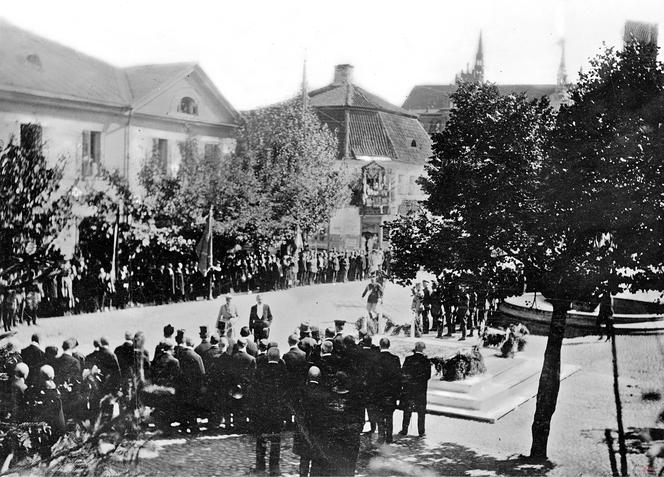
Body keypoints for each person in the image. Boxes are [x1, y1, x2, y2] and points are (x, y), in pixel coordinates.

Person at [253, 347, 287, 476]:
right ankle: (274, 467)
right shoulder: (283, 373)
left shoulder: (260, 371)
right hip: (277, 412)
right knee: (276, 439)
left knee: (261, 439)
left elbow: (254, 393)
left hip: (262, 411)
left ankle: (260, 466)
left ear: (267, 357)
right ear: (279, 358)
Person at [370, 337, 401, 443]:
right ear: (389, 345)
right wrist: (397, 393)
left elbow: (372, 377)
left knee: (379, 415)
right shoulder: (395, 359)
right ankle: (389, 436)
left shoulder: (374, 358)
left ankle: (381, 435)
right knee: (389, 415)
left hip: (378, 393)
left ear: (380, 345)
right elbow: (398, 377)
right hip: (390, 393)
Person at [399, 341, 431, 438]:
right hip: (420, 390)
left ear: (415, 348)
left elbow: (403, 374)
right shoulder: (426, 361)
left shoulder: (408, 359)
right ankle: (421, 431)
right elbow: (428, 376)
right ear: (423, 349)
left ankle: (404, 430)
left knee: (407, 411)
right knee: (421, 412)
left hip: (409, 389)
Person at [177, 336, 205, 432]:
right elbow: (202, 373)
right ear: (193, 345)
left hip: (182, 384)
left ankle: (183, 426)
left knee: (184, 405)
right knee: (192, 406)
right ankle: (194, 427)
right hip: (193, 386)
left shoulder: (180, 355)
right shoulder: (196, 357)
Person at [230, 337, 256, 431]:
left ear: (238, 345)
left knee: (236, 406)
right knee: (245, 406)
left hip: (234, 385)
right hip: (246, 386)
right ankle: (244, 425)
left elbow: (230, 373)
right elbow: (253, 375)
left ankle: (236, 425)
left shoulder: (232, 357)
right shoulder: (251, 359)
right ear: (246, 345)